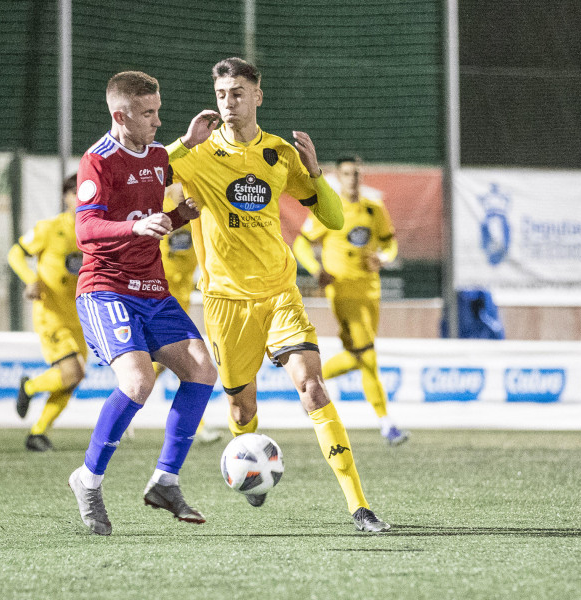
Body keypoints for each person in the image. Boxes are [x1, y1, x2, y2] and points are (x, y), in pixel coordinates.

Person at [166, 57, 391, 533]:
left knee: (313, 387)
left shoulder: (280, 154)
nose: (229, 103)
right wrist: (183, 142)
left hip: (280, 293)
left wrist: (313, 171)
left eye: (239, 93)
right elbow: (143, 171)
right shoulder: (198, 154)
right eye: (222, 94)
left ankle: (359, 505)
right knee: (241, 409)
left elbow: (330, 218)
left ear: (258, 96)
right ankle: (249, 470)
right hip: (226, 303)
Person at [67, 71, 218, 536]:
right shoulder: (98, 161)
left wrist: (177, 215)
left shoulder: (156, 155)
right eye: (148, 113)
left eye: (158, 110)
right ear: (121, 115)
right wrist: (136, 228)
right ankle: (88, 480)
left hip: (152, 288)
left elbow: (152, 204)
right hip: (106, 286)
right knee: (138, 381)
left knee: (202, 369)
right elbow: (85, 231)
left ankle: (165, 481)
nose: (157, 120)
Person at [291, 156, 410, 446]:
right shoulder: (330, 209)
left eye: (356, 173)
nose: (352, 178)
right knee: (368, 356)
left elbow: (389, 242)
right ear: (338, 177)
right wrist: (317, 270)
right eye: (346, 173)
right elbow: (301, 243)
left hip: (371, 291)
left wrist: (383, 257)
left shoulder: (373, 208)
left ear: (362, 175)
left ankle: (310, 384)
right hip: (343, 293)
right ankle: (387, 424)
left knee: (359, 356)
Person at [7, 174, 86, 452]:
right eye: (75, 192)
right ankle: (29, 387)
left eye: (87, 192)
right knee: (72, 373)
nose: (81, 198)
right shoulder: (50, 228)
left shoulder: (96, 231)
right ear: (65, 196)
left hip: (80, 316)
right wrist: (31, 279)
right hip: (50, 314)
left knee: (72, 380)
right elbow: (15, 253)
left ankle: (37, 433)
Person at [156, 185, 222, 444]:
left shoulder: (202, 209)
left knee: (166, 364)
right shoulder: (155, 209)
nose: (185, 186)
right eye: (179, 180)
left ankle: (124, 402)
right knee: (192, 363)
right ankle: (197, 425)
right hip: (157, 299)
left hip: (180, 300)